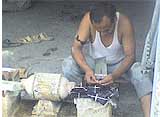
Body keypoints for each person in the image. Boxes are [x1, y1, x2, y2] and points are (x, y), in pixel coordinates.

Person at [62, 3, 152, 117]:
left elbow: (130, 57)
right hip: (97, 63)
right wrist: (87, 70)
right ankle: (85, 98)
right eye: (98, 30)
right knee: (68, 65)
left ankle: (149, 113)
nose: (102, 33)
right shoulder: (88, 20)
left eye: (107, 29)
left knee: (140, 72)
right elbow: (75, 48)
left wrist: (114, 76)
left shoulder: (124, 23)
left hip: (119, 65)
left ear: (114, 19)